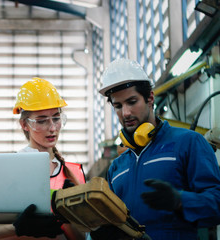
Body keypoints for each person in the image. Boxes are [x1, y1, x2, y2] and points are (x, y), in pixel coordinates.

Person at [90, 58, 220, 240]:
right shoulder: (117, 168)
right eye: (118, 106)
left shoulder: (188, 143)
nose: (125, 113)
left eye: (132, 101)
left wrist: (180, 201)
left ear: (150, 98)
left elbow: (217, 202)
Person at [0, 77, 86, 240]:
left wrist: (65, 219)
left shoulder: (74, 173)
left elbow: (81, 237)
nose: (52, 128)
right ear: (24, 124)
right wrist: (16, 228)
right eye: (42, 121)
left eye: (56, 118)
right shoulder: (8, 168)